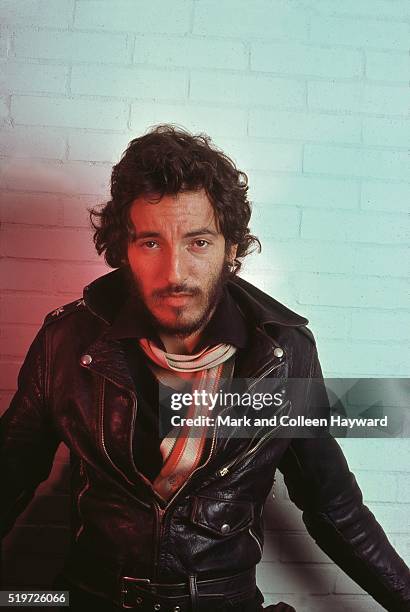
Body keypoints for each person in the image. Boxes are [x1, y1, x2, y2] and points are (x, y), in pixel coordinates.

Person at [1, 125, 409, 612]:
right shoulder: (67, 344)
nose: (175, 273)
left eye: (197, 242)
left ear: (231, 248)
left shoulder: (282, 356)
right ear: (124, 251)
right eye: (151, 243)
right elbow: (9, 478)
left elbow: (334, 508)